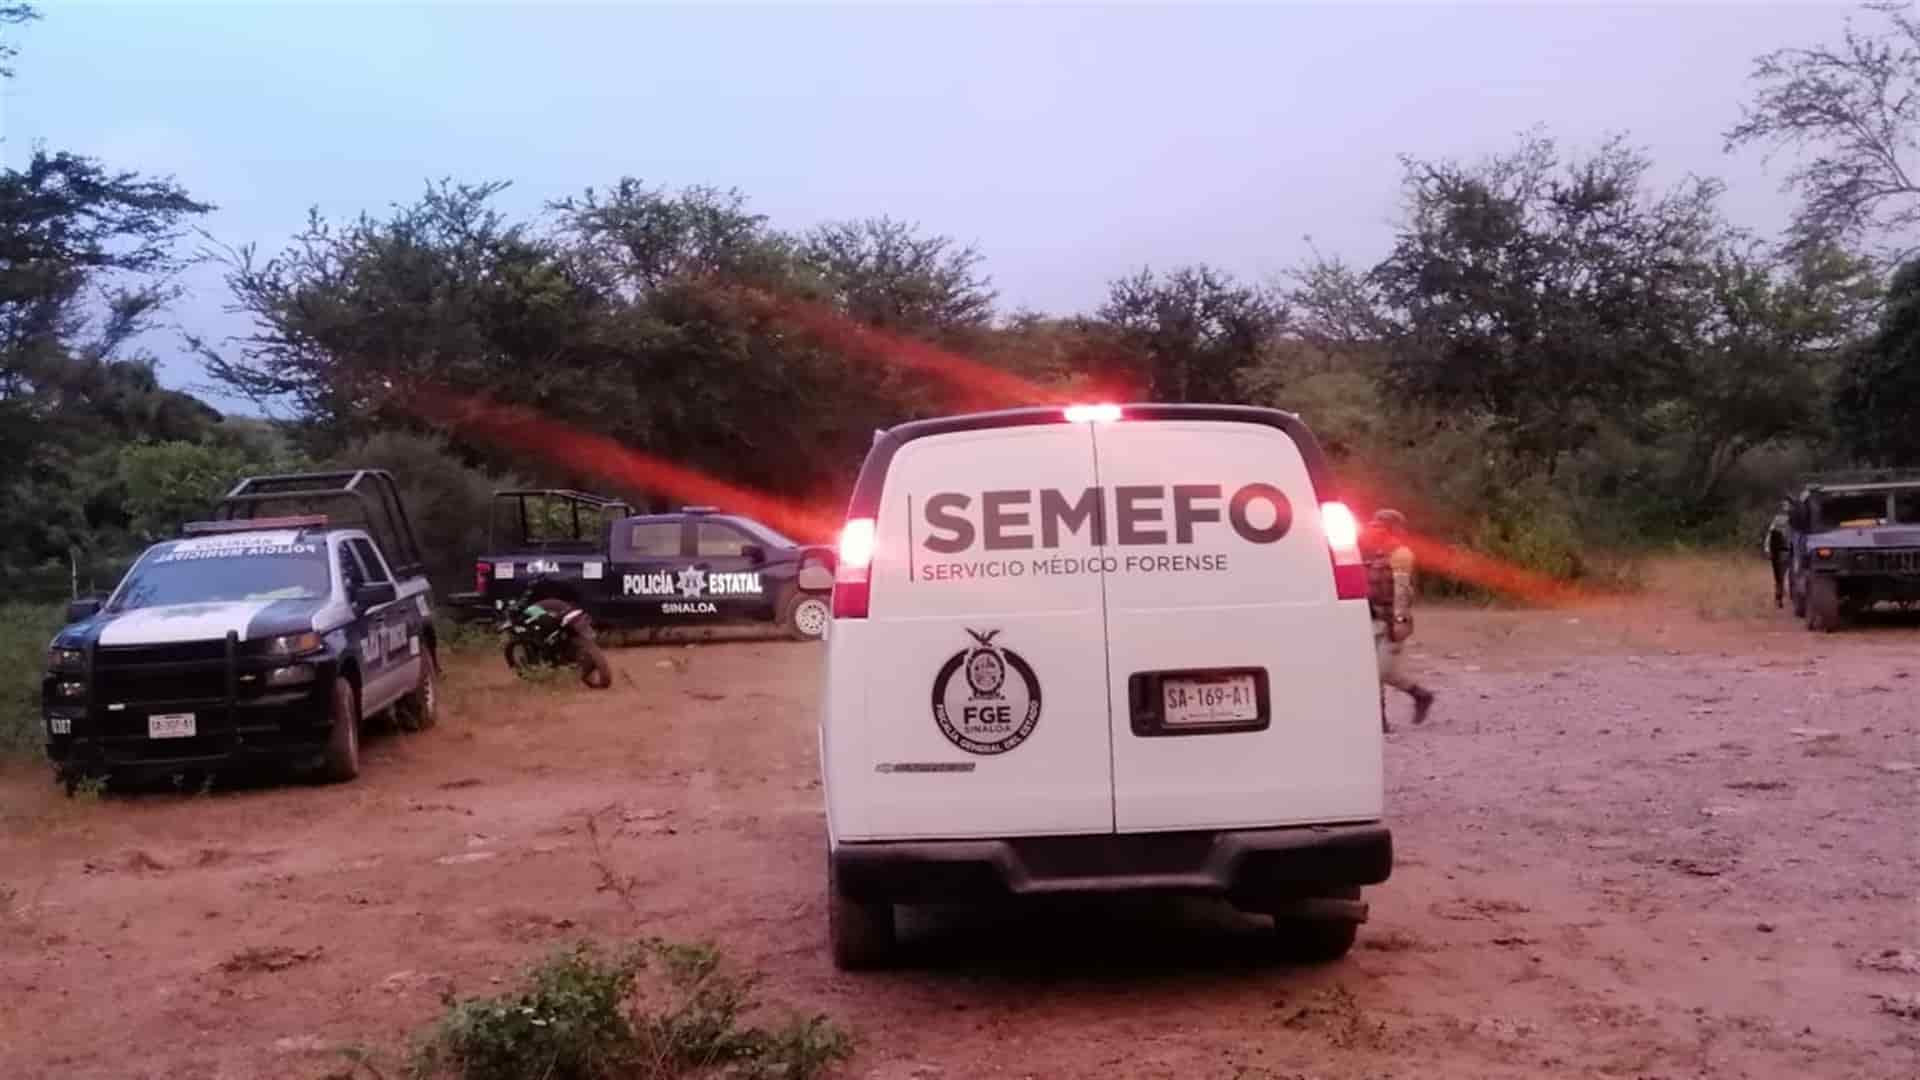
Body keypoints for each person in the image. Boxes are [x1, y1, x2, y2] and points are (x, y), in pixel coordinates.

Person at [1364, 509, 1435, 731]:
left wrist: (1400, 621)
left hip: (1391, 621)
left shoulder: (1401, 555)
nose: (1373, 529)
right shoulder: (1376, 555)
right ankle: (1380, 721)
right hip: (1373, 619)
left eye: (1378, 526)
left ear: (1391, 529)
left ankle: (1419, 695)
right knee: (1374, 672)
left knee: (1382, 671)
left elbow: (1403, 592)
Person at [1764, 500, 1791, 609]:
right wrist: (1767, 548)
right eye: (1784, 506)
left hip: (1790, 551)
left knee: (1785, 575)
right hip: (1779, 551)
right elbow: (1770, 534)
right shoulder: (1777, 519)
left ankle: (1782, 596)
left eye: (1787, 506)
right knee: (1779, 577)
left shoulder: (1795, 520)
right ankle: (1778, 598)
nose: (1786, 508)